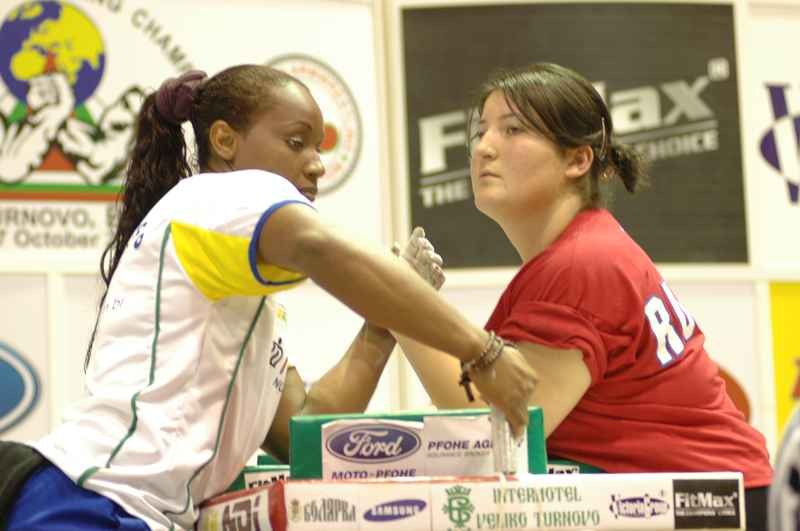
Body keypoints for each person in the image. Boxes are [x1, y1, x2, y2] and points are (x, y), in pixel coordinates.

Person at [0, 65, 537, 531]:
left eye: (320, 148)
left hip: (115, 506)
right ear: (226, 142)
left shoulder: (230, 269)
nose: (318, 164)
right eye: (296, 142)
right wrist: (480, 350)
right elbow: (317, 246)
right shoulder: (218, 194)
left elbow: (300, 427)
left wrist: (383, 327)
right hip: (88, 505)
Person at [393, 62, 772, 531]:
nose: (483, 147)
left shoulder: (581, 265)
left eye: (512, 130)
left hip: (707, 507)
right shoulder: (582, 252)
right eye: (480, 131)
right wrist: (412, 307)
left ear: (577, 160)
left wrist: (401, 306)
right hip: (701, 498)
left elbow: (498, 428)